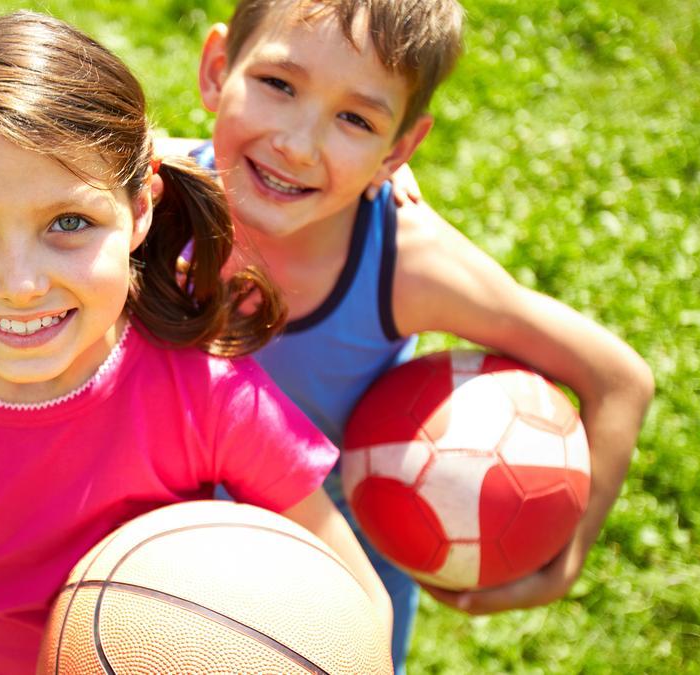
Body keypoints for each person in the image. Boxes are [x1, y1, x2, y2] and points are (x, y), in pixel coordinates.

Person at [0, 11, 393, 674]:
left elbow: (355, 589)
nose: (23, 284)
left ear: (140, 208)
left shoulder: (205, 392)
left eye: (69, 221)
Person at [184, 0, 654, 671]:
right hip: (163, 543)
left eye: (355, 119)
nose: (297, 142)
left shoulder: (404, 262)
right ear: (216, 68)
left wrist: (564, 558)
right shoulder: (151, 199)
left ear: (398, 149)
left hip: (336, 564)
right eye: (279, 85)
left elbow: (618, 379)